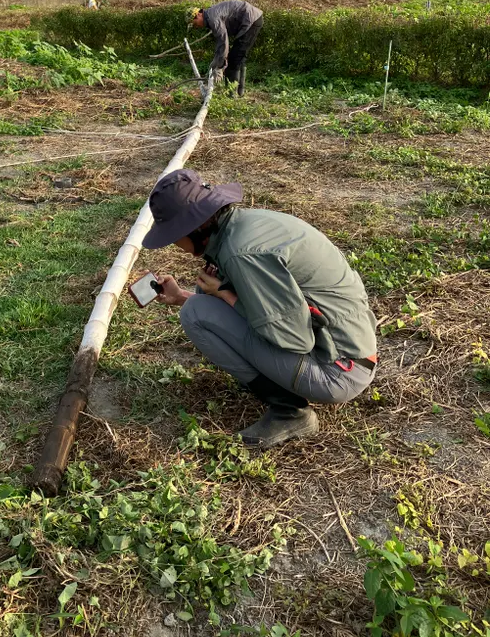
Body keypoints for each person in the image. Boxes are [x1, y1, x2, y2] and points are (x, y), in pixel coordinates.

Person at [141, 169, 378, 447]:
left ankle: (290, 412)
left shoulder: (243, 253)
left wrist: (222, 293)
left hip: (339, 371)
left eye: (172, 235)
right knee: (196, 304)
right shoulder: (242, 227)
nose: (173, 243)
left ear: (194, 228)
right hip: (351, 348)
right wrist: (183, 295)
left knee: (195, 314)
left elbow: (294, 338)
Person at [189, 0, 263, 95]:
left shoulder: (213, 19)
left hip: (251, 20)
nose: (196, 26)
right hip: (252, 19)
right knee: (239, 58)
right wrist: (216, 62)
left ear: (198, 14)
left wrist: (219, 67)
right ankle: (240, 93)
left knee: (234, 60)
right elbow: (220, 43)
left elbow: (223, 42)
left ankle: (232, 95)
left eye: (195, 23)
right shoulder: (210, 15)